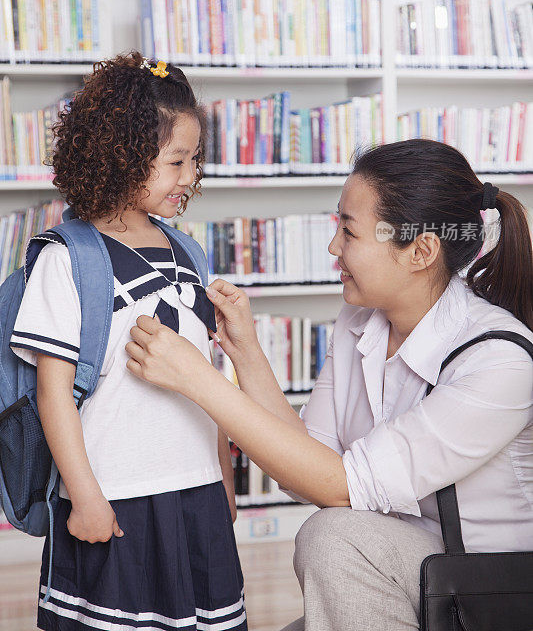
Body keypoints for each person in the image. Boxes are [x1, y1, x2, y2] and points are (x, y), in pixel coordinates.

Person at [125, 138, 533, 631]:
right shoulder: (360, 321)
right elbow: (305, 466)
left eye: (350, 231)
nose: (333, 246)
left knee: (333, 538)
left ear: (421, 250)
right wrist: (246, 353)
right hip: (407, 565)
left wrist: (198, 379)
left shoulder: (499, 361)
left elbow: (339, 487)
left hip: (487, 590)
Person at [10, 51, 247, 631]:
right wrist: (85, 495)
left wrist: (220, 475)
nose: (190, 177)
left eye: (194, 161)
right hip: (113, 499)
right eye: (175, 162)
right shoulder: (67, 260)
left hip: (195, 494)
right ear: (120, 157)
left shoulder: (189, 253)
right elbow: (53, 395)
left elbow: (206, 383)